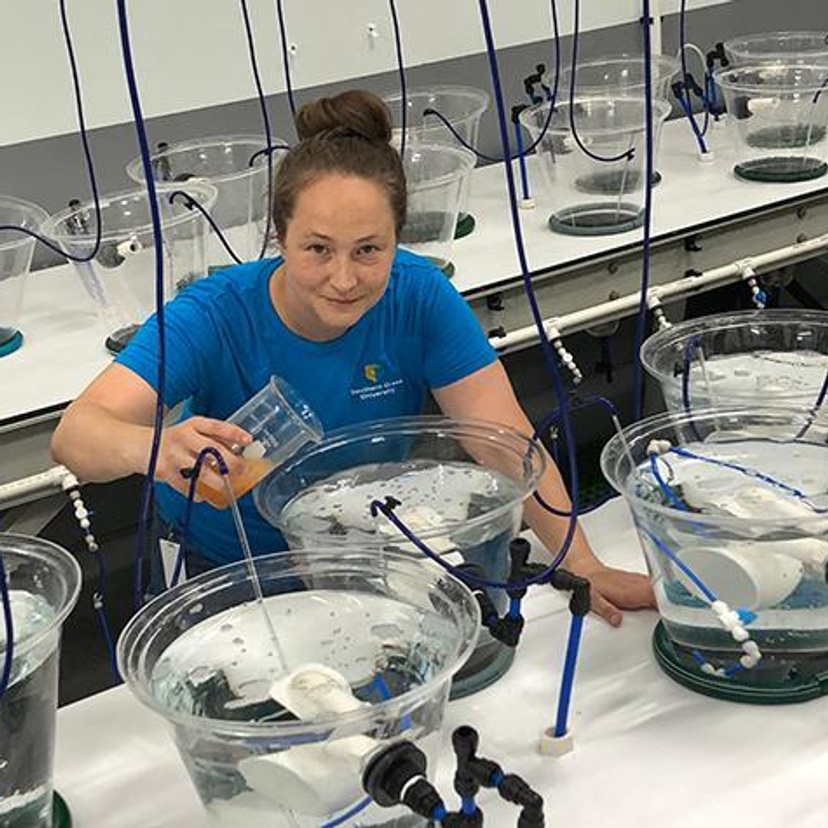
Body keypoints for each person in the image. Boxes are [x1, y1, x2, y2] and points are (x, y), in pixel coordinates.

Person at [52, 89, 654, 625]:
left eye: (369, 250)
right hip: (229, 567)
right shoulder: (213, 316)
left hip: (362, 549)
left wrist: (582, 563)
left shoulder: (417, 296)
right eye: (317, 249)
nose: (344, 279)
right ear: (278, 235)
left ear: (398, 238)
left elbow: (503, 439)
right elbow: (77, 435)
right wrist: (156, 448)